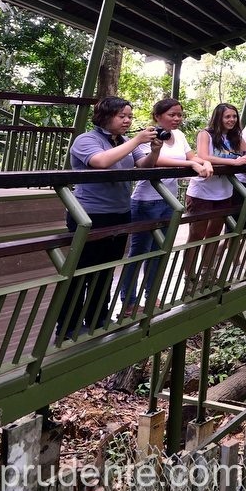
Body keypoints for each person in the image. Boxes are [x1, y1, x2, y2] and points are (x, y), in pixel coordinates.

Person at [55, 96, 157, 341]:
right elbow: (100, 162)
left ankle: (98, 318)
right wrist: (135, 140)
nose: (127, 120)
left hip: (120, 213)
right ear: (105, 116)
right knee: (81, 271)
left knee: (107, 269)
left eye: (130, 116)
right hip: (89, 215)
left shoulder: (121, 141)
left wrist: (154, 150)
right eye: (122, 116)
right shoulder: (87, 140)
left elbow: (143, 165)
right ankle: (68, 327)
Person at [118, 98, 213, 317]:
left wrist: (204, 162)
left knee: (159, 252)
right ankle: (128, 302)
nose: (177, 119)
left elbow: (192, 156)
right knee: (139, 252)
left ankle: (151, 295)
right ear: (157, 116)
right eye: (172, 114)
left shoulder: (179, 136)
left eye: (179, 114)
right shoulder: (146, 136)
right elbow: (153, 161)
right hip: (146, 201)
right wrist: (190, 164)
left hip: (168, 201)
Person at [183, 102, 246, 288]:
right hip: (202, 192)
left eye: (234, 116)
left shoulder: (235, 137)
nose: (231, 120)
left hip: (224, 192)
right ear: (219, 118)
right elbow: (204, 156)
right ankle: (189, 278)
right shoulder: (205, 134)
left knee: (214, 235)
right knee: (196, 235)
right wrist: (235, 162)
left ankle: (207, 274)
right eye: (227, 117)